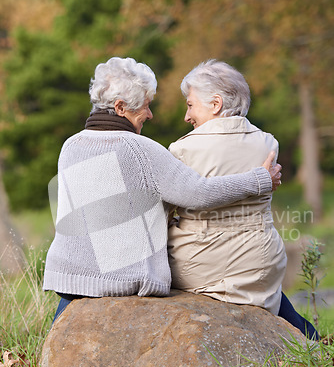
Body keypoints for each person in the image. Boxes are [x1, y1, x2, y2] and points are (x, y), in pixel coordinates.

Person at [43, 56, 281, 324]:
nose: (150, 114)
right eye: (146, 106)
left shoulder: (70, 146)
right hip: (118, 282)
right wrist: (259, 179)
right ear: (121, 107)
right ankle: (311, 340)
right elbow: (199, 193)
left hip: (66, 278)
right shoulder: (142, 150)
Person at [167, 60, 319, 340]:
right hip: (262, 263)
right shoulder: (268, 143)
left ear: (215, 104)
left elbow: (164, 213)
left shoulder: (182, 149)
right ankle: (312, 339)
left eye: (190, 105)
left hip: (202, 265)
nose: (187, 116)